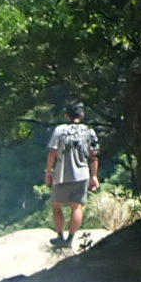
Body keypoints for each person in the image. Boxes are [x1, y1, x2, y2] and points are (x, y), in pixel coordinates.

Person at [44, 103, 99, 249]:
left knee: (57, 206)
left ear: (67, 115)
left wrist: (48, 172)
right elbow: (94, 156)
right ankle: (70, 239)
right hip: (82, 174)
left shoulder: (60, 130)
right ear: (82, 115)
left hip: (61, 174)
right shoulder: (90, 131)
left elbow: (52, 153)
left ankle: (60, 236)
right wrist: (94, 176)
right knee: (77, 207)